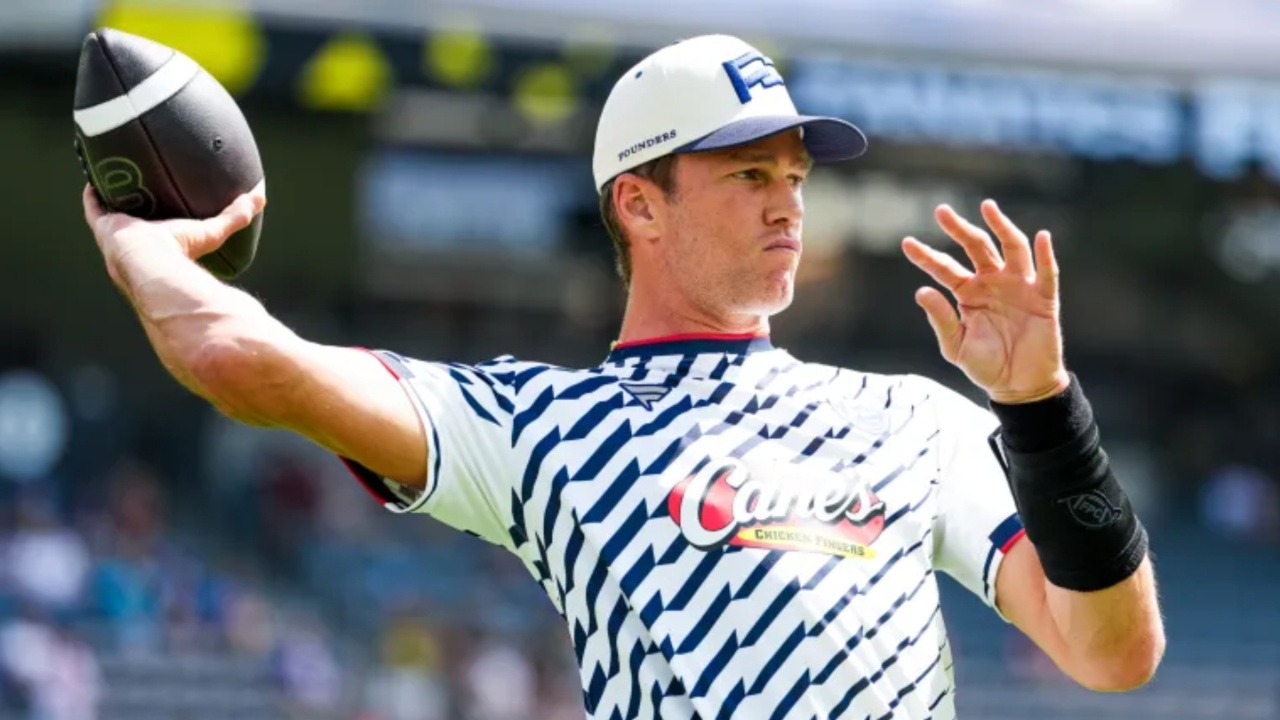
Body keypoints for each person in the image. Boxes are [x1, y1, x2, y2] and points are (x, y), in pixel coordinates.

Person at [82, 33, 1164, 720]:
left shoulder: (911, 419)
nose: (788, 202)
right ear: (638, 206)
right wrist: (136, 242)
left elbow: (1111, 653)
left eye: (791, 175)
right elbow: (232, 356)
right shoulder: (539, 425)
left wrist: (1041, 409)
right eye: (748, 174)